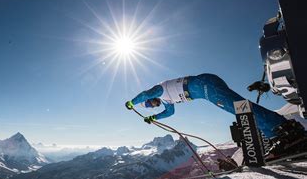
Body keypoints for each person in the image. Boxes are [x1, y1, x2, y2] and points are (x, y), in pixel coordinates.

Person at [124, 73, 299, 141]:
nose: (154, 104)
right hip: (206, 88)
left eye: (151, 104)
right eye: (152, 106)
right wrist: (154, 118)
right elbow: (169, 112)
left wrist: (132, 102)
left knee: (241, 108)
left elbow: (146, 93)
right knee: (241, 109)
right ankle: (277, 130)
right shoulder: (166, 100)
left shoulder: (158, 89)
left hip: (206, 86)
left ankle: (279, 130)